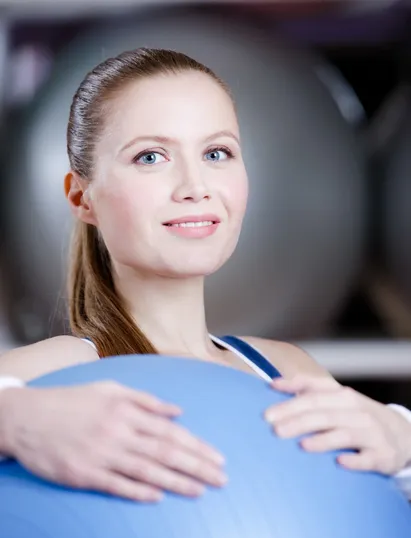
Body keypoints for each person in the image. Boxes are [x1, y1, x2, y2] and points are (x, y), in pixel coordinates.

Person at [0, 47, 410, 503]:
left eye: (217, 152)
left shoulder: (288, 372)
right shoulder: (57, 372)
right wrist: (15, 420)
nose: (196, 187)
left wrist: (401, 436)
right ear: (82, 198)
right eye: (151, 157)